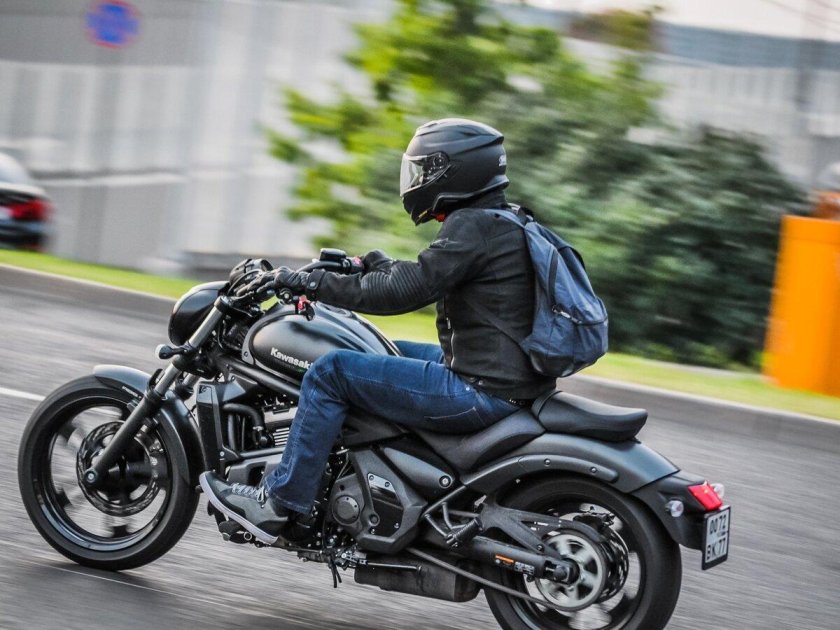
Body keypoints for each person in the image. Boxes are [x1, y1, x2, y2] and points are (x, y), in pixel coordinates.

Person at [200, 118, 555, 545]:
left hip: (479, 389)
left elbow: (402, 293)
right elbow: (427, 274)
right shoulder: (506, 221)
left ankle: (281, 501)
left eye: (426, 170)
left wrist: (309, 282)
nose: (418, 180)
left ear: (455, 172)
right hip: (501, 375)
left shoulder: (474, 227)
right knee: (381, 350)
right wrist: (375, 265)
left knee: (331, 371)